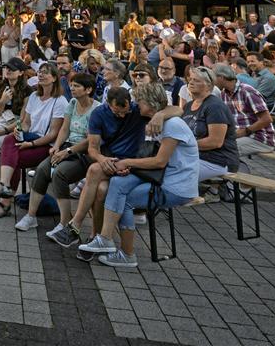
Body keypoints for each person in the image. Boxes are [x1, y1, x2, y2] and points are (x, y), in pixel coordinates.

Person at [77, 83, 200, 269]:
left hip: (176, 186)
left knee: (124, 198)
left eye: (139, 101)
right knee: (117, 182)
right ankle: (105, 239)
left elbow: (159, 162)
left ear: (150, 103)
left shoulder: (172, 124)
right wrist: (129, 168)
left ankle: (126, 254)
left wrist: (128, 163)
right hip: (161, 177)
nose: (137, 105)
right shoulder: (157, 121)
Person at [50, 87, 180, 250]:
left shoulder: (136, 110)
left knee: (95, 175)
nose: (122, 115)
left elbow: (178, 109)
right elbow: (92, 148)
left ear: (129, 103)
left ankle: (77, 227)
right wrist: (102, 159)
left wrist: (160, 115)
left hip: (132, 162)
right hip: (109, 159)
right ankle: (95, 236)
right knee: (101, 187)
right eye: (117, 112)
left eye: (125, 112)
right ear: (108, 104)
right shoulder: (99, 113)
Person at [14, 74, 99, 232]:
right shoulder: (73, 103)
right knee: (42, 170)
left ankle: (65, 222)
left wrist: (67, 151)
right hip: (66, 146)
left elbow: (90, 140)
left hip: (84, 152)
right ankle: (31, 216)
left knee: (59, 174)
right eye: (72, 85)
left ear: (88, 90)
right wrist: (57, 147)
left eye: (77, 86)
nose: (72, 88)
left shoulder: (97, 109)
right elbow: (65, 129)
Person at [0, 65, 68, 217]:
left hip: (45, 144)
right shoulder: (34, 97)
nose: (41, 75)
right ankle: (4, 185)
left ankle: (5, 203)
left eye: (46, 73)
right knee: (9, 140)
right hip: (30, 136)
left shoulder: (60, 101)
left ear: (54, 78)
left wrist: (30, 144)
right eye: (40, 72)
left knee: (13, 158)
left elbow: (53, 135)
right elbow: (26, 123)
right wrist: (19, 131)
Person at [181, 66, 240, 186]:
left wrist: (183, 145)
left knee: (173, 172)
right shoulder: (189, 105)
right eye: (191, 79)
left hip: (218, 161)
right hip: (196, 156)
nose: (191, 82)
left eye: (196, 80)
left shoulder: (215, 106)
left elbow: (215, 142)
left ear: (208, 85)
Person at [213, 63, 274, 157]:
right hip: (241, 136)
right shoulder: (224, 93)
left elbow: (267, 119)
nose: (212, 82)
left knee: (222, 150)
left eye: (213, 78)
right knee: (213, 145)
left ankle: (232, 170)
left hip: (259, 138)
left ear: (221, 77)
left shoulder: (247, 91)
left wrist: (245, 131)